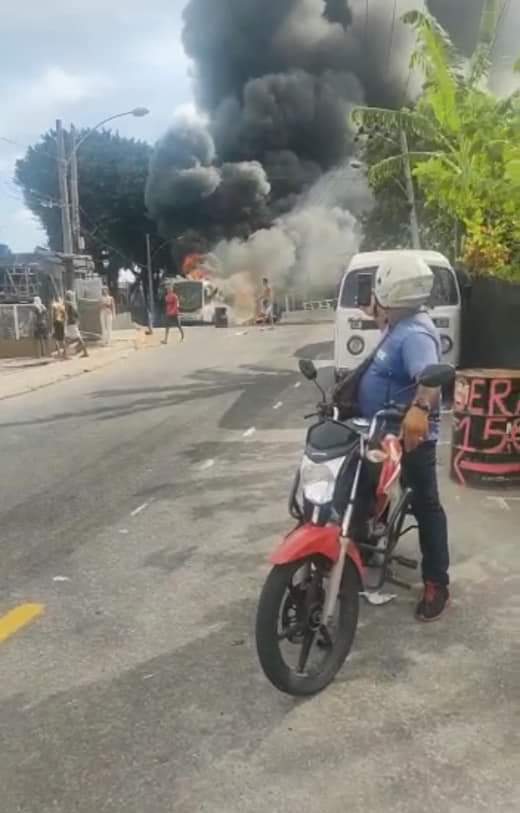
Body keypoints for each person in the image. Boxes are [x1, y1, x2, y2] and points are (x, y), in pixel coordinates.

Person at [357, 253, 450, 622]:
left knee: (425, 505)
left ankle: (436, 583)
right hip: (381, 433)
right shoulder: (399, 322)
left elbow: (428, 376)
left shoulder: (415, 333)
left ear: (387, 289)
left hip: (411, 440)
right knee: (366, 493)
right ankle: (365, 548)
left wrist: (421, 409)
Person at [65, 290, 89, 357]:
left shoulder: (67, 303)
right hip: (73, 322)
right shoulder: (72, 304)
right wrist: (77, 321)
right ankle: (65, 353)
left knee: (76, 338)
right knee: (69, 338)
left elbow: (66, 313)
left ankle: (85, 352)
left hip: (70, 323)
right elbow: (77, 314)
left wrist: (65, 321)